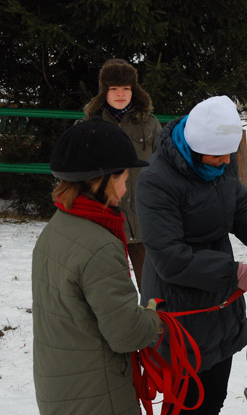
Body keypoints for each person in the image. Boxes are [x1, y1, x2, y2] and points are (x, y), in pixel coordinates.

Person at [134, 95, 247, 415]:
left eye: (229, 154)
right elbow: (170, 257)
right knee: (179, 409)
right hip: (178, 310)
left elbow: (239, 212)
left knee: (211, 399)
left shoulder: (223, 166)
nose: (224, 161)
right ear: (192, 145)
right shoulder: (156, 181)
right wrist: (234, 271)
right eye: (215, 154)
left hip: (220, 307)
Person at [31, 119, 163, 415]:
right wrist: (154, 319)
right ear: (99, 181)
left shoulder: (59, 228)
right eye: (123, 176)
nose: (127, 185)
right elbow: (125, 331)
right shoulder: (98, 243)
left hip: (62, 376)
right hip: (91, 383)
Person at [82, 58, 162, 293]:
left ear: (133, 90)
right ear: (103, 92)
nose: (120, 94)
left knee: (153, 292)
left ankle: (153, 329)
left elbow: (164, 167)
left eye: (126, 88)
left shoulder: (150, 124)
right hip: (106, 222)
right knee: (110, 290)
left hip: (144, 223)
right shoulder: (90, 126)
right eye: (114, 89)